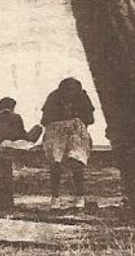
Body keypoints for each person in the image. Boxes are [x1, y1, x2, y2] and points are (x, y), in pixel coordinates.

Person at [39, 77, 95, 209]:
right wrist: (62, 121)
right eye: (67, 92)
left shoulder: (82, 97)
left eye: (72, 92)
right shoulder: (53, 97)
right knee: (56, 164)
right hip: (56, 135)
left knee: (77, 163)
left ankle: (79, 197)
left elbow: (90, 119)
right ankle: (55, 198)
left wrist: (75, 120)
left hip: (76, 135)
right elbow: (45, 120)